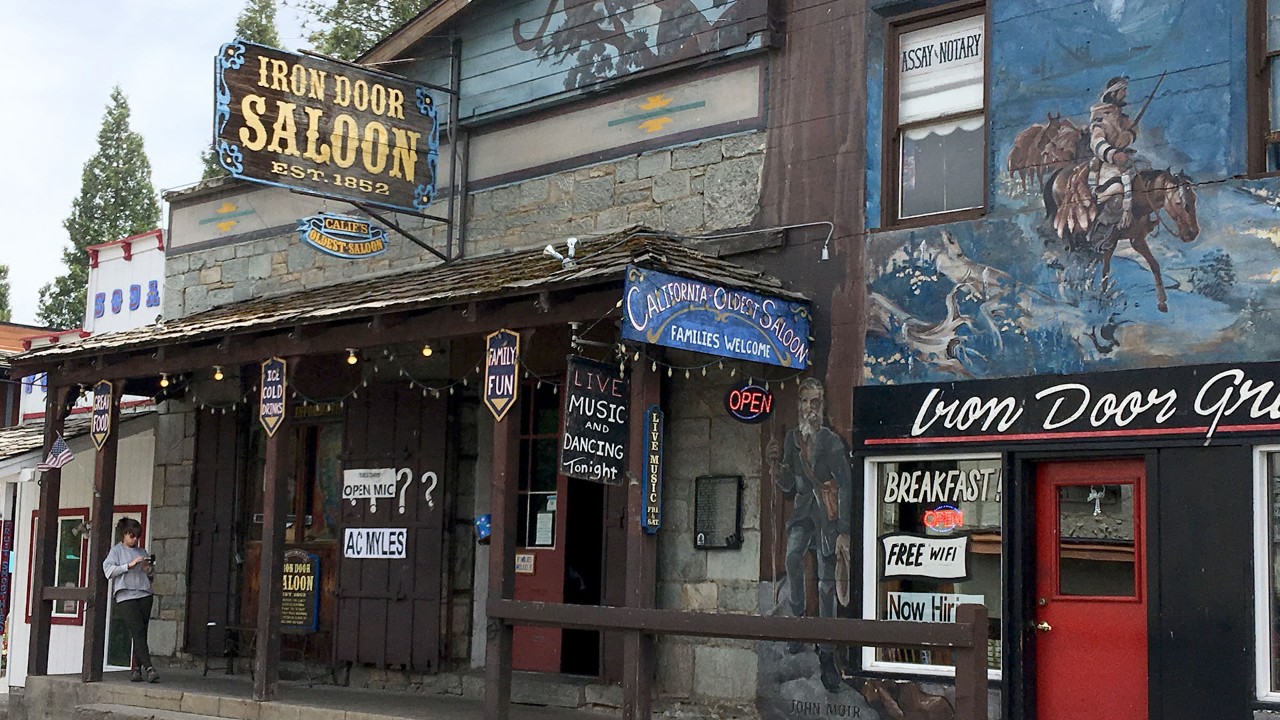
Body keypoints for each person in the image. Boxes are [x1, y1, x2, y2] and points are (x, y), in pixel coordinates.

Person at [767, 378, 852, 693]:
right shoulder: (792, 439)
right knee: (792, 558)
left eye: (815, 403)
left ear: (822, 405)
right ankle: (799, 618)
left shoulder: (831, 441)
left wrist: (844, 529)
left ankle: (827, 654)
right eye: (804, 402)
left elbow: (845, 484)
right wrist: (776, 468)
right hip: (802, 515)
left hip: (827, 520)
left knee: (826, 585)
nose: (809, 408)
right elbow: (790, 486)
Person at [102, 517, 158, 683]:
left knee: (141, 632)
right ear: (124, 535)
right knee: (137, 630)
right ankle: (149, 668)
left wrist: (148, 569)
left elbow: (151, 576)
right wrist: (129, 565)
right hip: (125, 595)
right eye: (132, 536)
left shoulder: (142, 552)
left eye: (137, 537)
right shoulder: (116, 551)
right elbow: (108, 571)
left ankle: (136, 670)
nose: (134, 539)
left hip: (144, 593)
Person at [1086, 76, 1138, 245]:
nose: (1126, 94)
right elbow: (1096, 141)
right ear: (1114, 93)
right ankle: (1099, 234)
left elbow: (1133, 131)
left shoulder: (1122, 117)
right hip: (1106, 164)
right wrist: (1113, 155)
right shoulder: (1100, 116)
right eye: (1123, 90)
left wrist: (1128, 136)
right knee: (1116, 198)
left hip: (1126, 159)